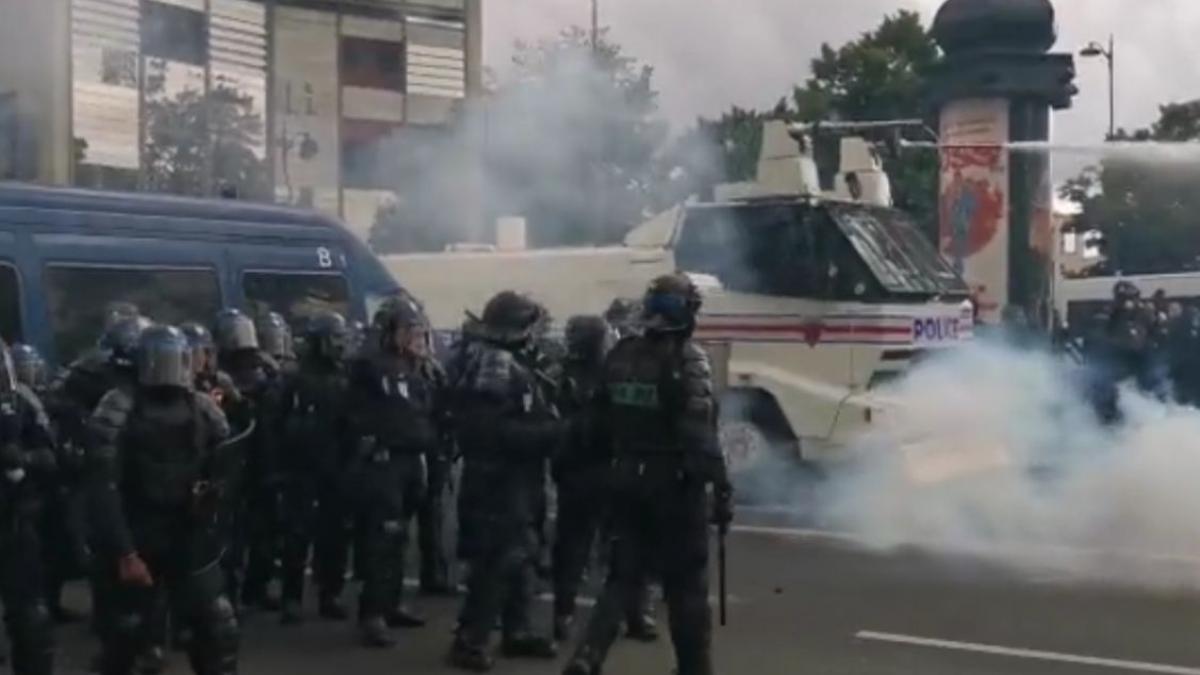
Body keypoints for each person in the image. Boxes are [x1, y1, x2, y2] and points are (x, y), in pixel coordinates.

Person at [563, 273, 733, 675]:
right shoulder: (689, 359)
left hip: (624, 477)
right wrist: (721, 488)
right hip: (673, 485)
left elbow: (594, 423)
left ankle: (587, 657)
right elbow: (699, 435)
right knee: (686, 585)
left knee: (622, 576)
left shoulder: (620, 355)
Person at [86, 325, 240, 675]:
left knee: (218, 628)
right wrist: (125, 553)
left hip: (188, 532)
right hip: (138, 532)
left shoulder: (203, 407)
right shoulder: (117, 407)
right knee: (126, 636)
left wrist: (211, 501)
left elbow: (227, 464)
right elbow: (103, 488)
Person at [447, 291, 564, 671]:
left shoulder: (512, 361)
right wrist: (551, 433)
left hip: (519, 476)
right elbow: (490, 433)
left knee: (523, 553)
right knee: (496, 559)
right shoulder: (493, 364)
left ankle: (517, 630)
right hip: (496, 479)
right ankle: (470, 640)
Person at [551, 315, 659, 644]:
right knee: (620, 544)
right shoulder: (607, 372)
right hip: (600, 467)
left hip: (585, 470)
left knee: (578, 546)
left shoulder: (563, 374)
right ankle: (633, 614)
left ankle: (566, 613)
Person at [346, 296, 446, 647]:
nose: (415, 337)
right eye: (408, 330)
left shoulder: (414, 366)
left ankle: (391, 603)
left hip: (410, 460)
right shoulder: (370, 364)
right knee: (382, 536)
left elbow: (423, 410)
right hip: (384, 461)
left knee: (400, 536)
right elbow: (366, 412)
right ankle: (372, 613)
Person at [277, 311, 354, 625]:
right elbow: (274, 423)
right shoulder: (294, 378)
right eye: (335, 338)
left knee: (335, 534)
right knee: (297, 534)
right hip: (301, 467)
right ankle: (291, 597)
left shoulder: (345, 376)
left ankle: (330, 594)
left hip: (336, 465)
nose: (340, 344)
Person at [213, 309, 283, 614]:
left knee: (266, 533)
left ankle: (257, 587)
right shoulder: (217, 376)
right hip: (234, 463)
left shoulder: (264, 370)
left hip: (263, 460)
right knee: (232, 537)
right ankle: (229, 594)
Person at [0, 338, 58, 675]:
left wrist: (23, 458)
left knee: (32, 618)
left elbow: (50, 457)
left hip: (14, 521)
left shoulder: (22, 401)